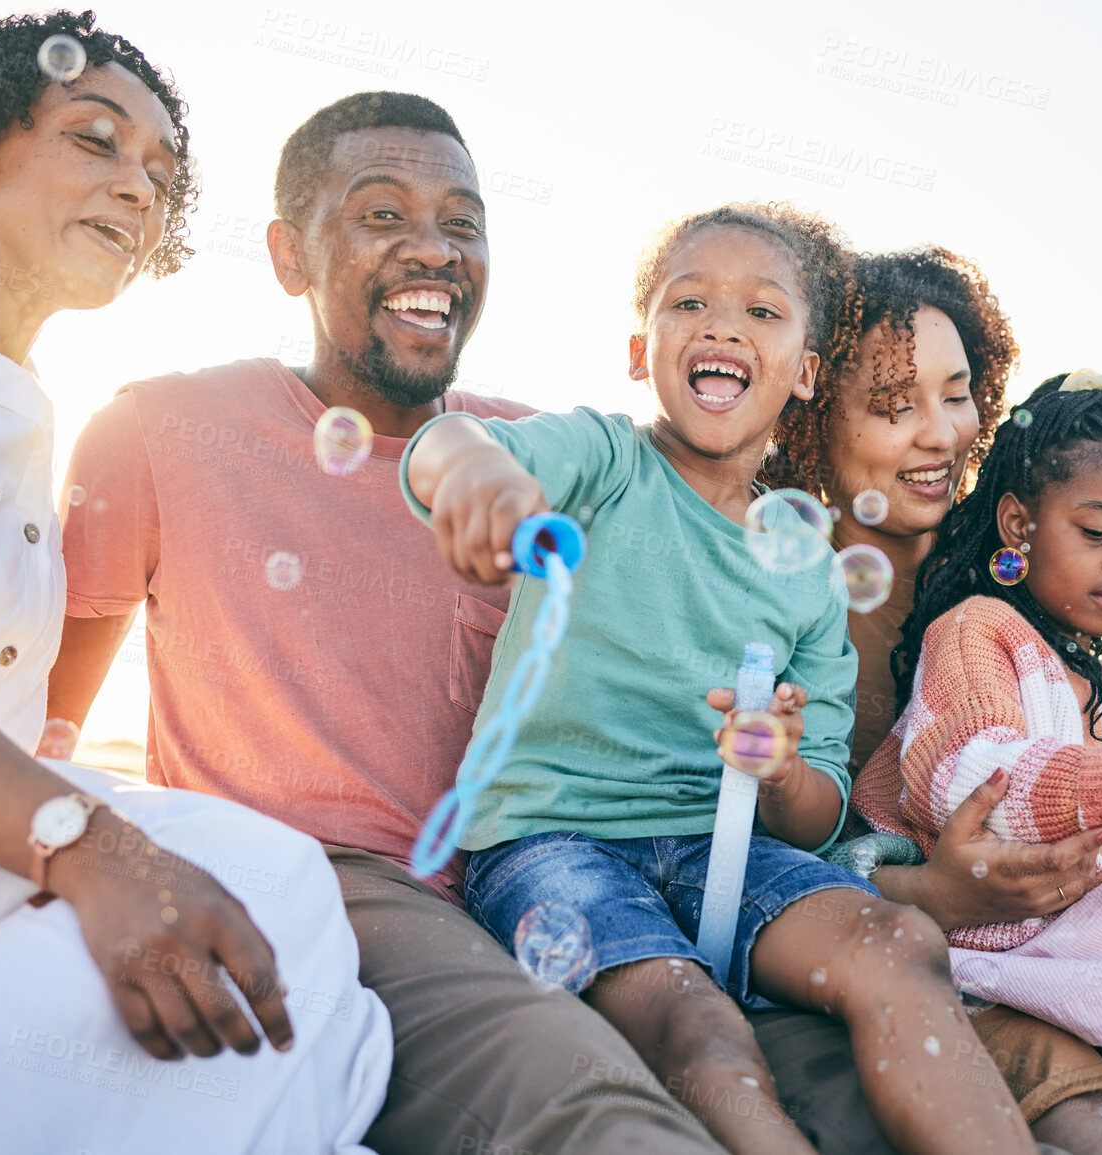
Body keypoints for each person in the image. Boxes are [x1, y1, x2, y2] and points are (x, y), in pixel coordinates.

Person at [48, 95, 894, 1154]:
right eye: (381, 213)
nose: (432, 250)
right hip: (346, 890)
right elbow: (46, 730)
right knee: (603, 1119)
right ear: (286, 254)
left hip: (579, 884)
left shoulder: (539, 448)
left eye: (463, 222)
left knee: (866, 1089)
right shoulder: (158, 429)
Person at [0, 13, 391, 1154]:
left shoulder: (11, 386)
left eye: (160, 173)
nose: (139, 189)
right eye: (95, 140)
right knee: (253, 914)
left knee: (293, 920)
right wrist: (96, 852)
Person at [403, 203, 1034, 1155]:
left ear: (807, 373)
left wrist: (778, 768)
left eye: (764, 312)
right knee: (693, 1021)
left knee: (902, 947)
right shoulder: (605, 460)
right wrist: (477, 482)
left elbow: (818, 813)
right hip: (552, 840)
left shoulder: (809, 571)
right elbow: (450, 447)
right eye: (689, 301)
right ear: (637, 348)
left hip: (723, 854)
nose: (724, 326)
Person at [769, 248, 1102, 1154]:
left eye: (955, 395)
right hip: (894, 981)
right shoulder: (773, 595)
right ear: (807, 407)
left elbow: (1099, 799)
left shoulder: (1032, 620)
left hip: (1073, 966)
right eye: (892, 405)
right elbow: (733, 848)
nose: (936, 434)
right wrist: (923, 891)